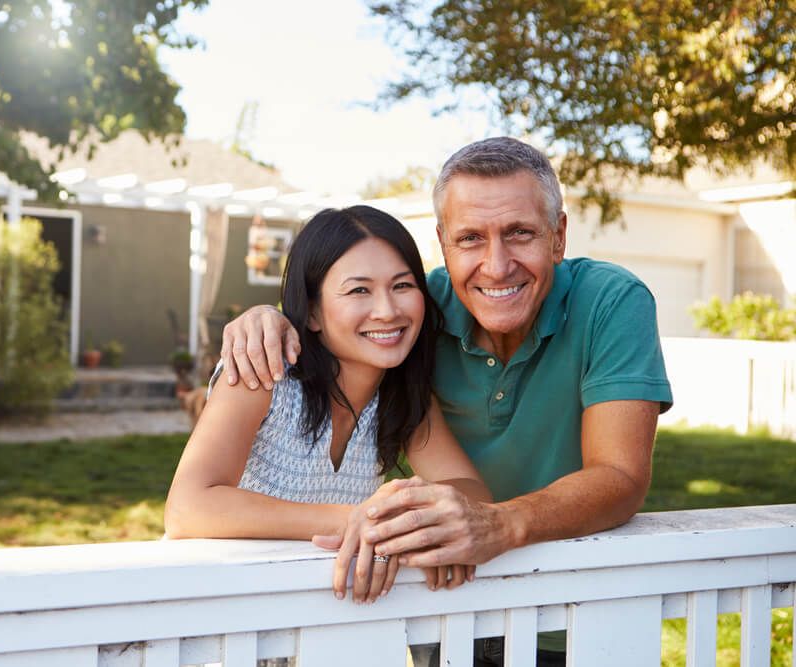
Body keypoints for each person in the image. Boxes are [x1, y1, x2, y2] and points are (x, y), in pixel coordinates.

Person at [219, 137, 673, 665]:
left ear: (559, 236)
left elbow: (620, 477)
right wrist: (268, 318)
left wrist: (498, 524)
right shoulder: (415, 312)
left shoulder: (611, 302)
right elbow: (340, 309)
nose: (497, 265)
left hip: (576, 615)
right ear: (444, 243)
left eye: (520, 233)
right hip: (449, 605)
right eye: (471, 238)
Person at [164, 205, 492, 607]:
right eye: (359, 290)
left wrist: (400, 511)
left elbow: (475, 495)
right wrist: (363, 520)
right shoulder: (265, 373)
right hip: (221, 609)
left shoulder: (403, 396)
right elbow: (187, 507)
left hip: (323, 618)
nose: (387, 310)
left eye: (402, 286)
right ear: (314, 311)